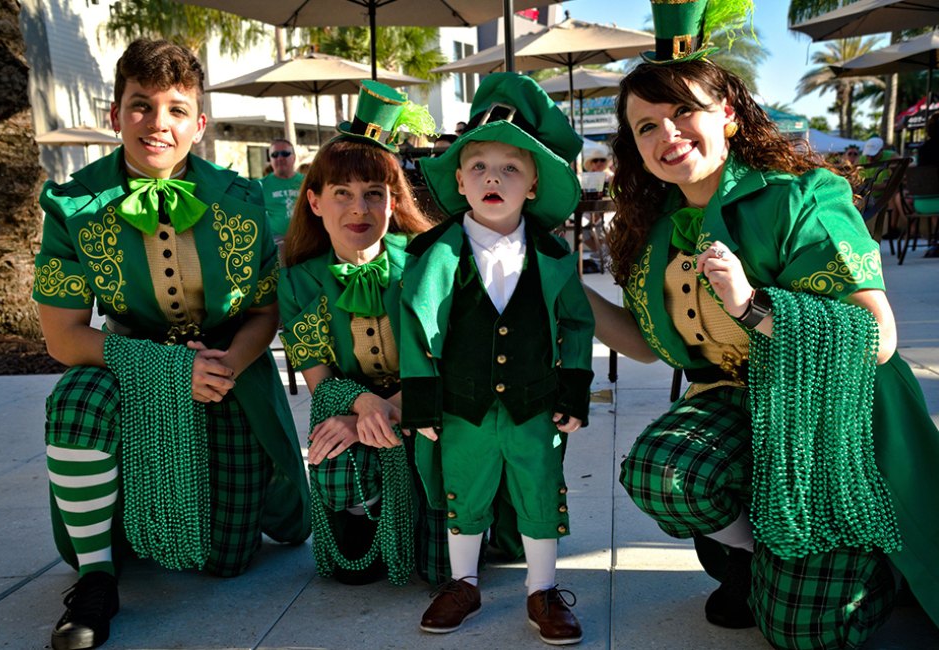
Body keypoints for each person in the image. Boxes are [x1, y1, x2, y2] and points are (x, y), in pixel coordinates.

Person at [585, 2, 939, 648]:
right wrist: (570, 299)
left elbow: (877, 337)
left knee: (804, 633)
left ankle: (878, 567)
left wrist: (752, 305)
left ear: (728, 111)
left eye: (684, 111)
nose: (668, 134)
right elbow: (646, 344)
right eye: (646, 126)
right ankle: (755, 558)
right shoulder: (652, 226)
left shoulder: (801, 196)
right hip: (733, 406)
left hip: (827, 427)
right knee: (664, 468)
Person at [32, 38, 311, 650]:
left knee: (225, 558)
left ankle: (154, 514)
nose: (158, 124)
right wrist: (160, 367)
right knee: (75, 399)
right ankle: (96, 577)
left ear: (200, 124)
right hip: (126, 365)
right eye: (141, 106)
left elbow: (266, 313)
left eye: (176, 109)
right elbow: (61, 337)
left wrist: (229, 364)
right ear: (115, 115)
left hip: (226, 375)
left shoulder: (243, 199)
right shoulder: (71, 205)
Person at [401, 72, 595, 646]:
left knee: (539, 488)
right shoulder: (435, 254)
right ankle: (463, 581)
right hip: (463, 407)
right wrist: (421, 401)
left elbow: (578, 325)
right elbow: (416, 325)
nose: (493, 177)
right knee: (465, 491)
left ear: (534, 185)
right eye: (479, 166)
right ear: (459, 180)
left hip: (535, 406)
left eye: (511, 168)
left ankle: (543, 588)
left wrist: (574, 391)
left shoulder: (554, 255)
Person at [277, 80, 448, 586]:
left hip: (432, 405)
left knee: (443, 571)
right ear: (314, 202)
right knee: (356, 569)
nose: (360, 209)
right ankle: (367, 509)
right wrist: (365, 410)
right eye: (343, 194)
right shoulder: (297, 280)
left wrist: (388, 409)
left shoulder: (425, 263)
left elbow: (449, 363)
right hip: (354, 407)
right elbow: (319, 381)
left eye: (375, 194)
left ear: (394, 203)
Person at [858, 135, 906, 237]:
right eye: (868, 155)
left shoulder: (892, 157)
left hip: (884, 195)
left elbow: (901, 176)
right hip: (867, 196)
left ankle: (891, 229)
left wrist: (873, 186)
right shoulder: (861, 160)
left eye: (873, 155)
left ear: (882, 150)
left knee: (893, 195)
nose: (870, 158)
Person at [260, 139, 305, 245]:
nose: (280, 158)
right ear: (270, 159)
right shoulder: (260, 186)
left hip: (305, 240)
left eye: (285, 154)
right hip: (277, 242)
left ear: (294, 157)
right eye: (275, 155)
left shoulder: (307, 182)